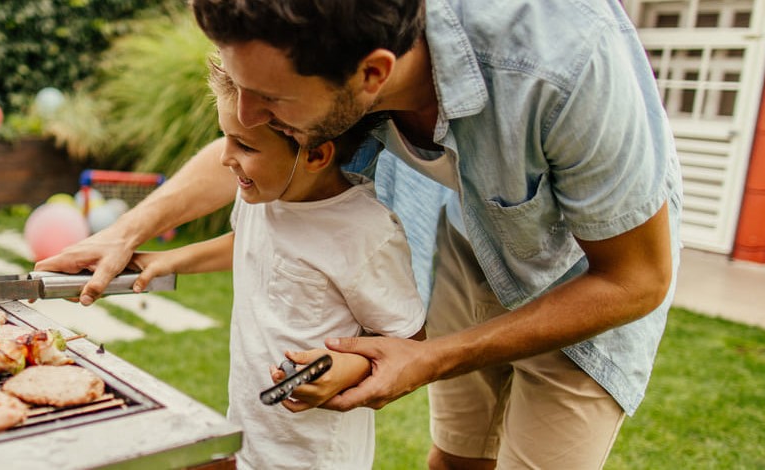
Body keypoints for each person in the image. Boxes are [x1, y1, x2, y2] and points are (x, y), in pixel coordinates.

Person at [37, 0, 683, 468]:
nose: (247, 117)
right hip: (468, 231)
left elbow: (636, 277)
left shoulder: (563, 63)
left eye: (271, 101)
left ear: (373, 75)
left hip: (589, 275)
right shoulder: (335, 61)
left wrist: (431, 356)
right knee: (458, 457)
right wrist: (129, 230)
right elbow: (250, 141)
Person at [128, 62, 426, 469]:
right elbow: (249, 245)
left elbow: (409, 339)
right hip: (252, 434)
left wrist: (351, 367)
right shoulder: (263, 193)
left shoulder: (365, 232)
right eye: (226, 138)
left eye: (245, 147)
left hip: (316, 456)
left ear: (317, 153)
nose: (225, 159)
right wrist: (165, 260)